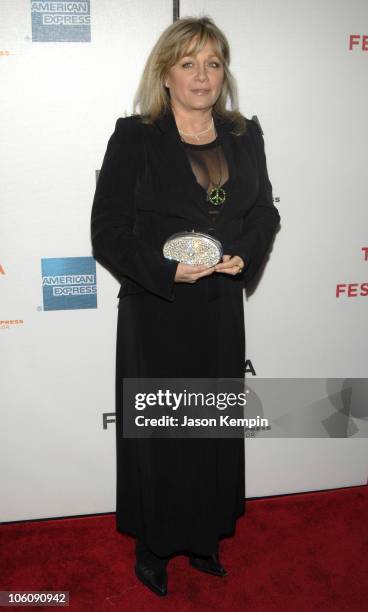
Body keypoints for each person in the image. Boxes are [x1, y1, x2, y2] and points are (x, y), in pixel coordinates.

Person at [91, 15, 280, 598]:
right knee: (160, 431)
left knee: (210, 430)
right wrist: (166, 269)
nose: (202, 76)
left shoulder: (246, 135)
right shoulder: (135, 136)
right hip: (157, 310)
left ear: (224, 74)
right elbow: (109, 231)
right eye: (188, 63)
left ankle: (203, 536)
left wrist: (243, 256)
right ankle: (154, 544)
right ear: (166, 74)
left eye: (214, 63)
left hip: (220, 308)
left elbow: (264, 215)